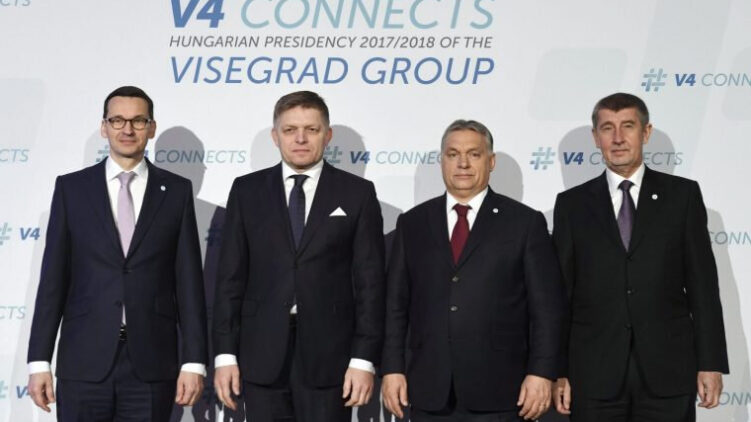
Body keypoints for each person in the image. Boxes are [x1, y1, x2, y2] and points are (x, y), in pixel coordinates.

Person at [27, 86, 208, 421]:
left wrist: (194, 361)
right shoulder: (72, 189)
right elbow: (53, 280)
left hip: (152, 363)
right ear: (104, 126)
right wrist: (39, 360)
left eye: (138, 121)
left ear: (151, 128)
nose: (127, 129)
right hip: (83, 362)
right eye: (118, 120)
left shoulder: (176, 191)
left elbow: (188, 284)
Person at [552, 92, 729, 421]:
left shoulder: (682, 197)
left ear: (646, 133)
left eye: (628, 126)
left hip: (668, 371)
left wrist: (710, 362)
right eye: (607, 128)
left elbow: (703, 287)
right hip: (592, 374)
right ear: (596, 137)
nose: (618, 138)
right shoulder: (571, 205)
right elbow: (560, 296)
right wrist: (558, 370)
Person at [212, 90, 385, 421]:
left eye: (311, 129)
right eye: (290, 130)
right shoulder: (246, 191)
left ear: (327, 135)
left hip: (331, 359)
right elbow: (229, 279)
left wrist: (363, 359)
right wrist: (224, 356)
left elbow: (370, 285)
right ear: (275, 136)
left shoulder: (357, 193)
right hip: (260, 355)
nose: (301, 139)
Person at [381, 119, 564, 421]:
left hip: (502, 392)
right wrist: (392, 368)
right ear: (442, 161)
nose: (462, 163)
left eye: (474, 154)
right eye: (453, 154)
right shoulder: (412, 223)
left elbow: (546, 309)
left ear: (491, 162)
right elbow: (395, 306)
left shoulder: (524, 223)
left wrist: (542, 372)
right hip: (429, 391)